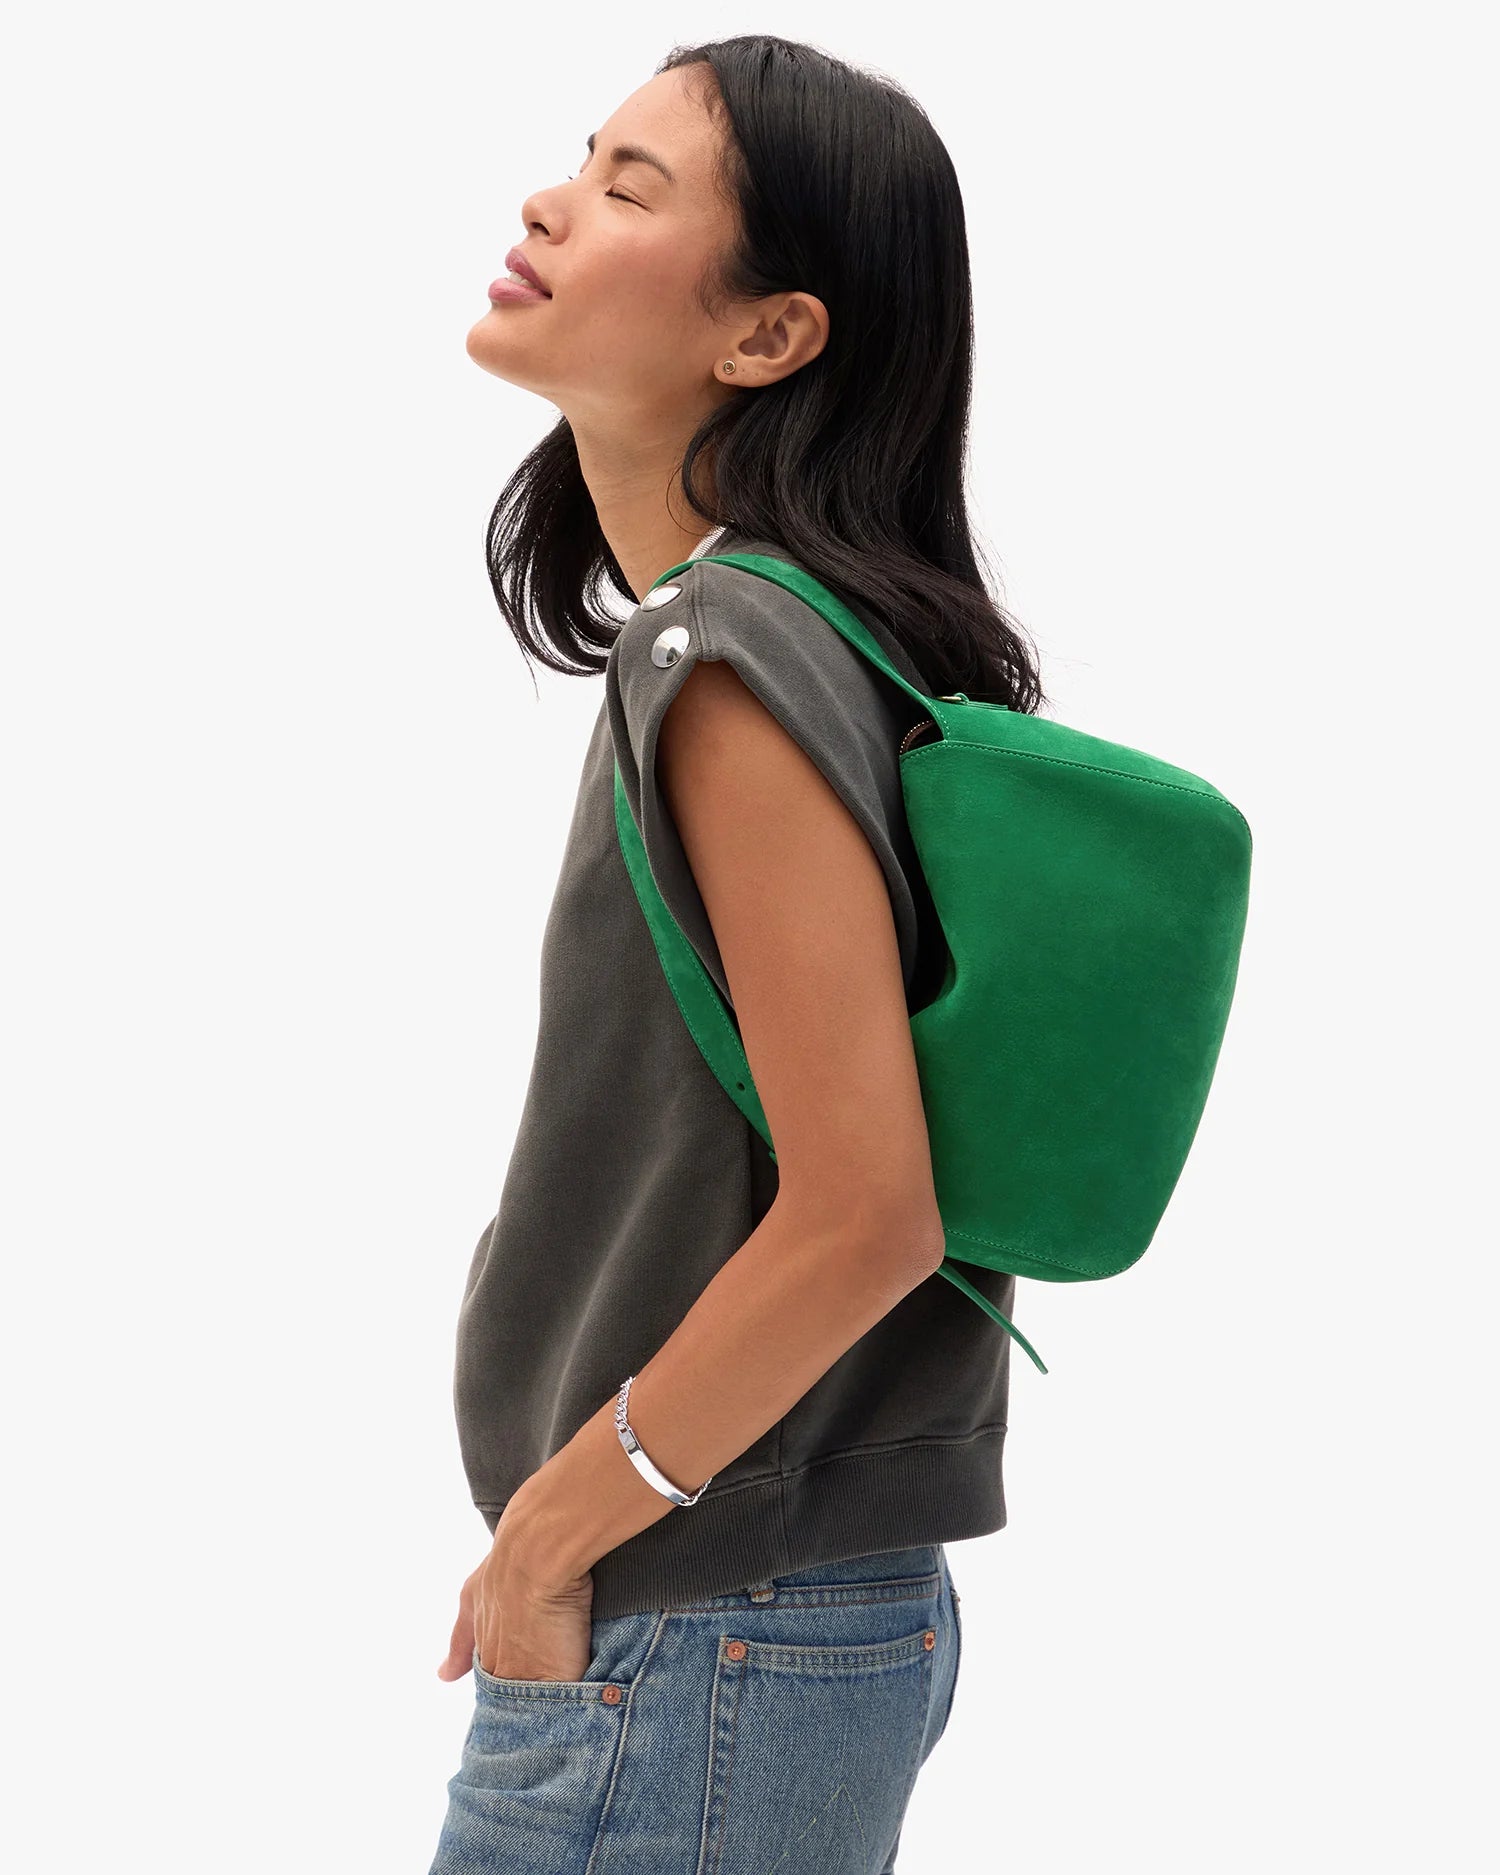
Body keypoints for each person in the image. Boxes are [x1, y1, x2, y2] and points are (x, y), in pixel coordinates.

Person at [428, 33, 1047, 1875]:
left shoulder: (738, 659)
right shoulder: (798, 639)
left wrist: (553, 1538)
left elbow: (871, 1216)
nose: (551, 201)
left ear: (770, 334)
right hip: (749, 1611)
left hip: (696, 1627)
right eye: (581, 158)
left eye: (632, 188)